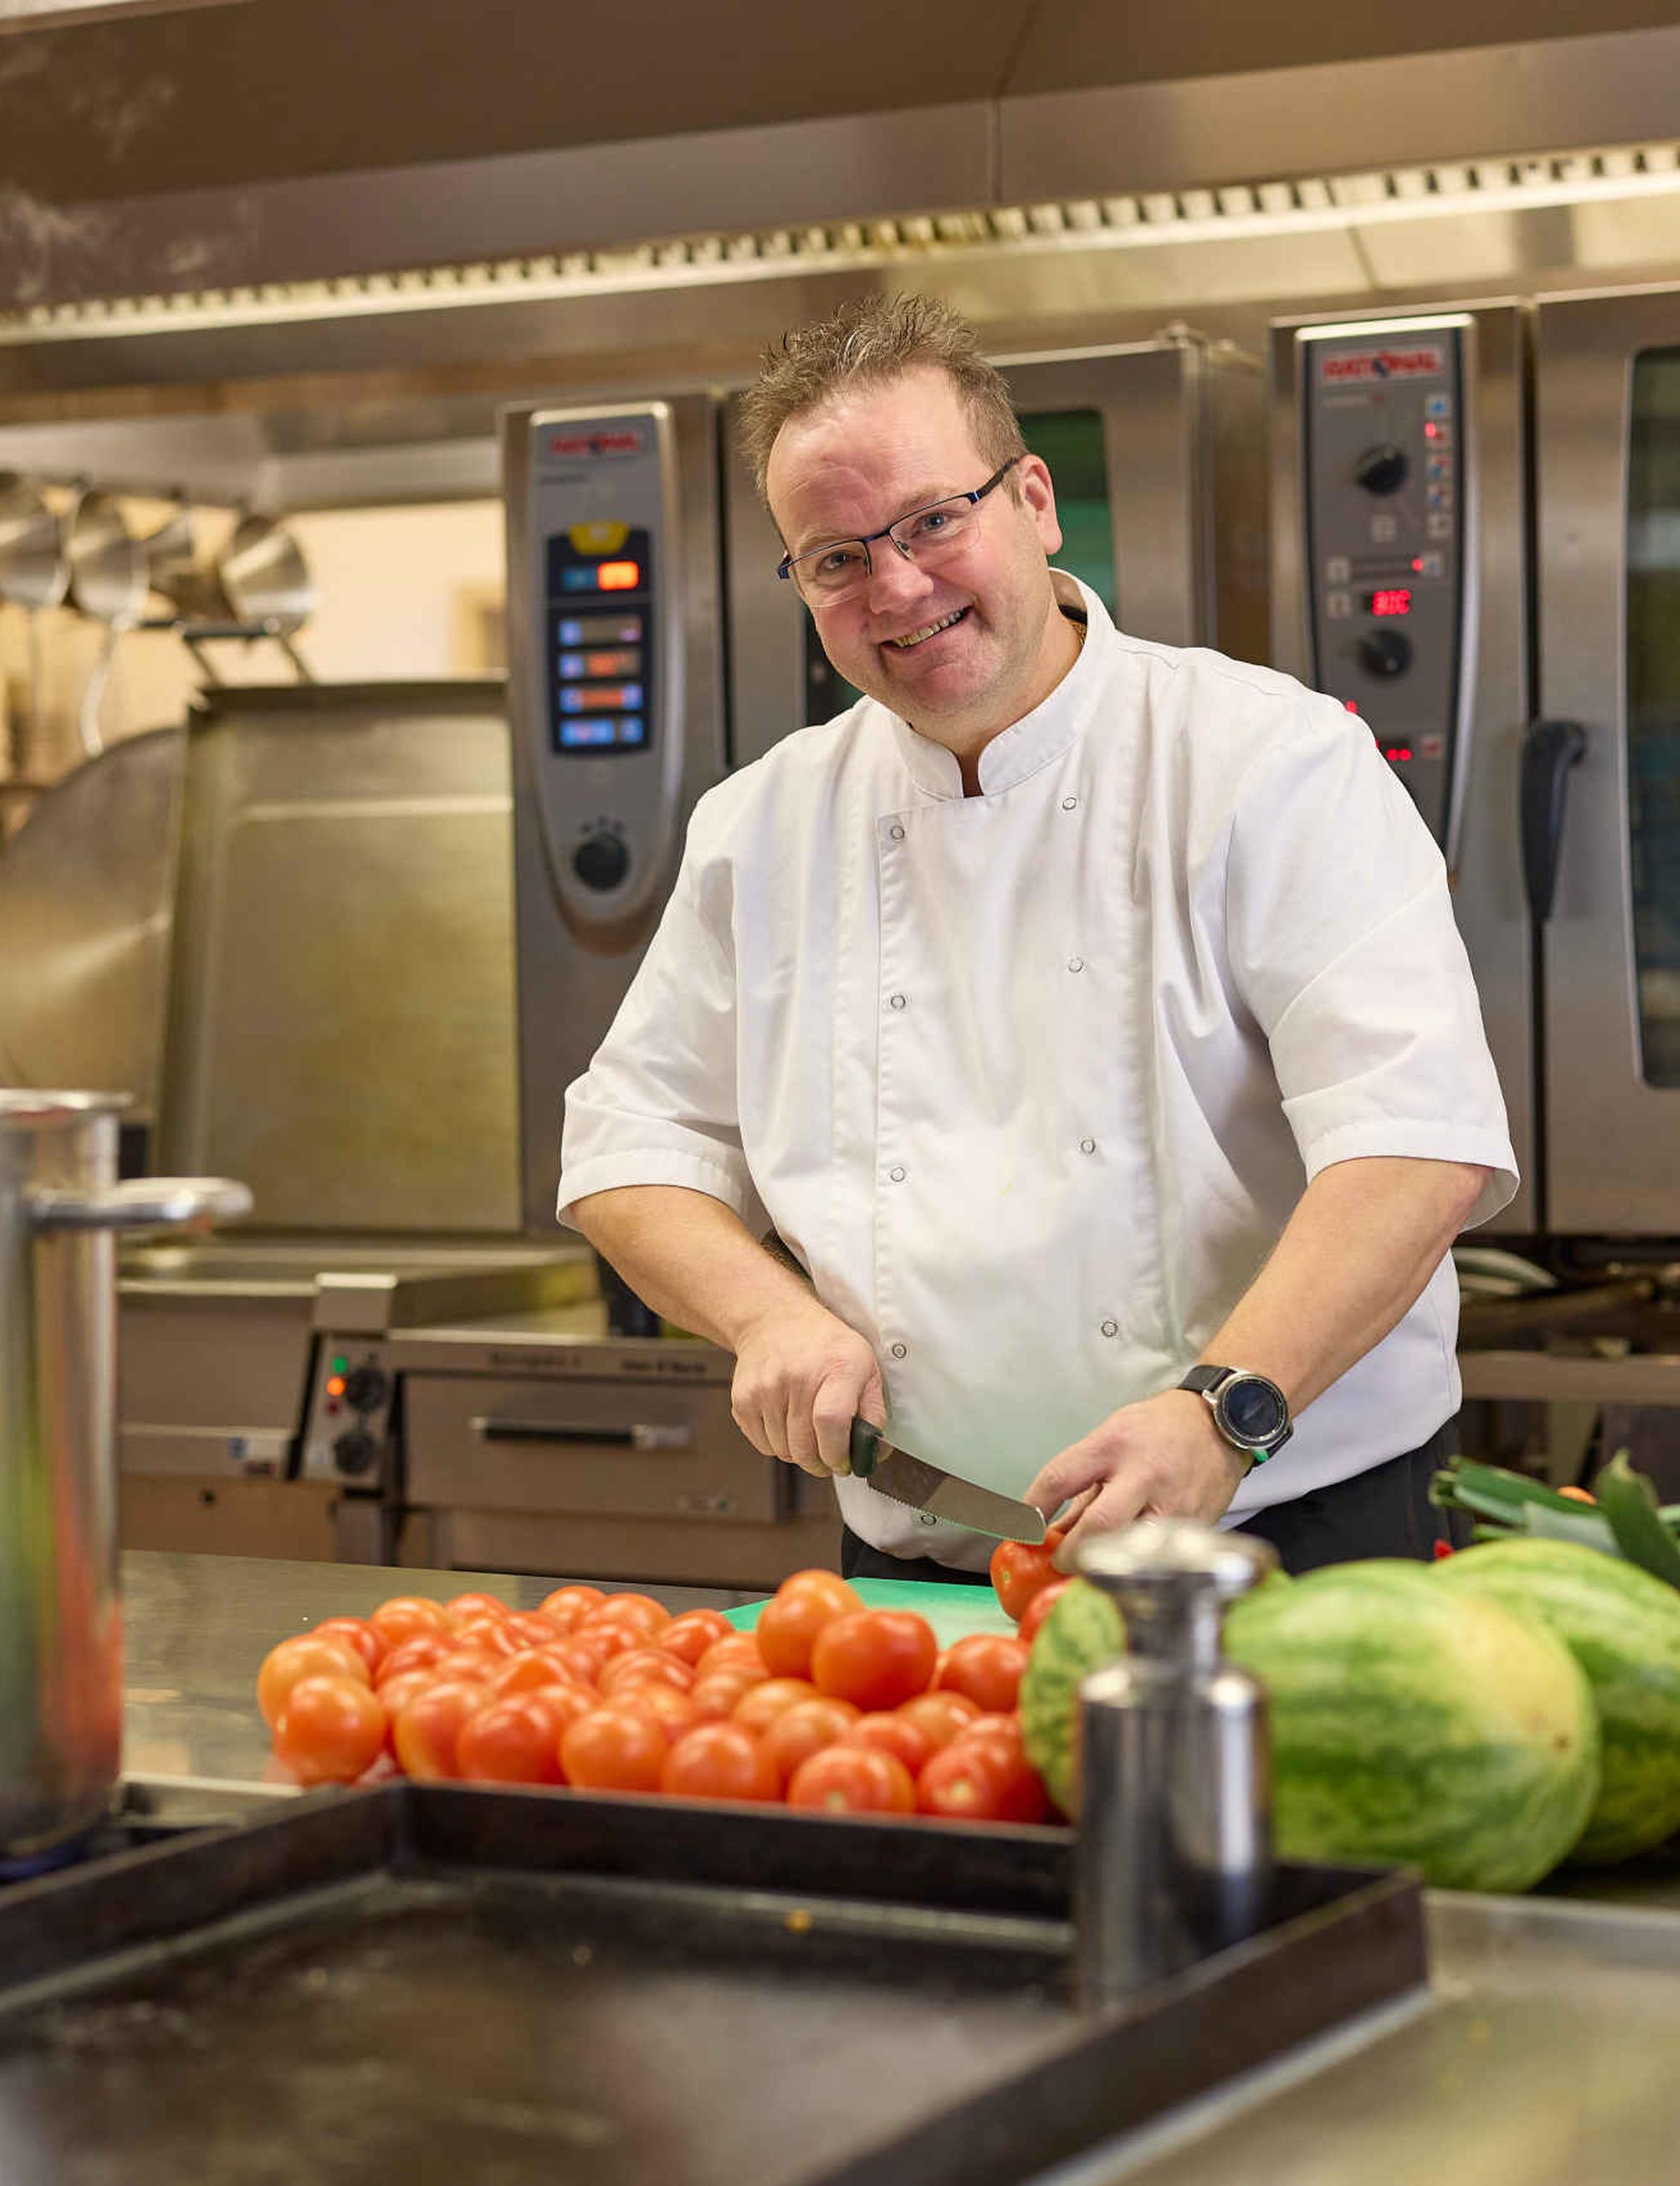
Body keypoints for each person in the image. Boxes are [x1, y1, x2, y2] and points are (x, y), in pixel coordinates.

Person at [558, 293, 1513, 1579]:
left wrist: (1226, 1410)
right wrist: (766, 1315)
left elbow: (1414, 1143)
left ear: (1035, 502)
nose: (896, 585)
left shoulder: (1269, 761)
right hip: (920, 1558)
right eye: (836, 558)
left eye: (932, 521)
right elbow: (630, 1145)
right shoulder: (763, 824)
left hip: (1281, 1530)